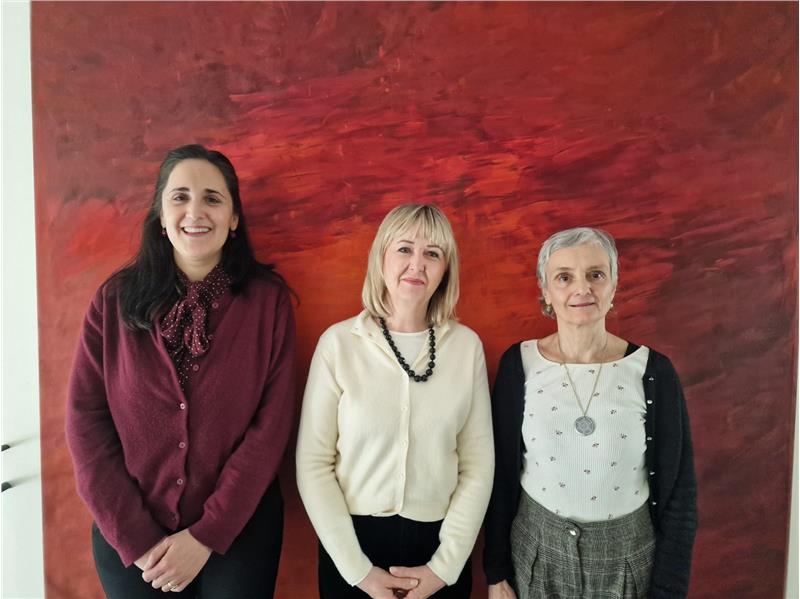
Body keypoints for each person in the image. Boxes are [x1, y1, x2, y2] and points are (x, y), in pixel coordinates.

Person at [66, 144, 296, 598]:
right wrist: (138, 539)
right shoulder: (112, 302)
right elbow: (85, 423)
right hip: (133, 540)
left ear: (233, 218)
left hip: (240, 534)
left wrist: (207, 534)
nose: (195, 211)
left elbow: (270, 429)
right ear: (160, 214)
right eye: (180, 197)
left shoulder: (268, 302)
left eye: (213, 198)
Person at [483, 227, 697, 599]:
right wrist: (496, 571)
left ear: (614, 285)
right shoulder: (519, 364)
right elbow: (500, 475)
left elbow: (680, 493)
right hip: (535, 557)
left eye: (595, 274)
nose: (582, 288)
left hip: (628, 563)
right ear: (545, 290)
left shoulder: (653, 371)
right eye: (564, 277)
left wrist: (668, 592)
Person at [296, 204, 494, 599]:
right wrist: (357, 571)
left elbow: (478, 465)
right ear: (381, 257)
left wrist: (444, 568)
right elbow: (313, 463)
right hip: (351, 551)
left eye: (432, 253)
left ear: (446, 269)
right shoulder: (338, 344)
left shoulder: (466, 347)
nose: (417, 264)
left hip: (440, 550)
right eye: (404, 249)